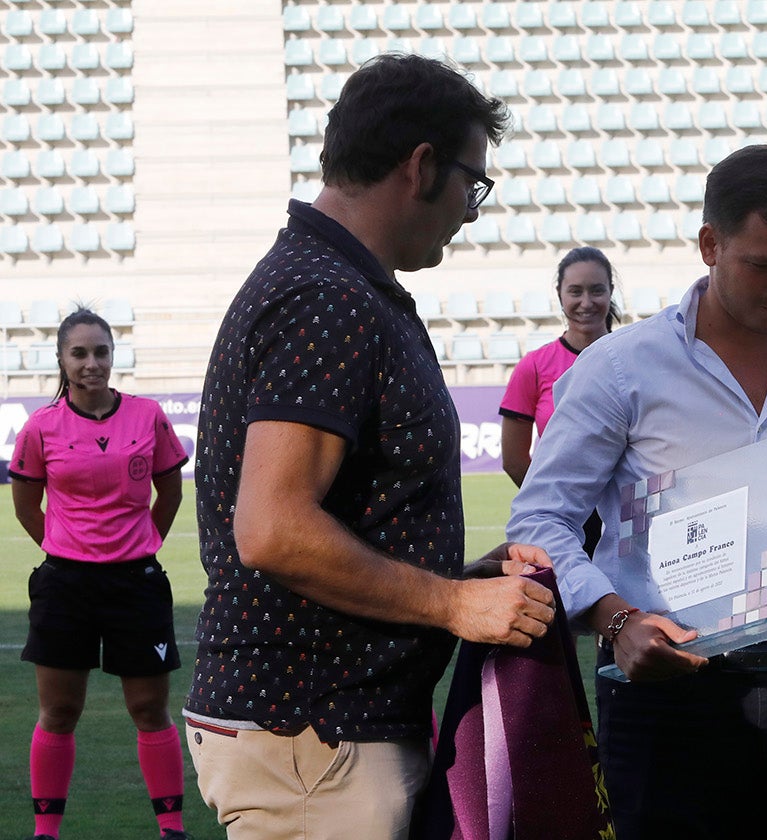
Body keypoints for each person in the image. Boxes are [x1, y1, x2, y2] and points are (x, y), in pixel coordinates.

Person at [183, 54, 556, 840]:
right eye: (472, 183)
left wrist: (457, 580)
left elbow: (341, 514)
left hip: (321, 736)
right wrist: (453, 604)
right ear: (420, 167)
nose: (473, 210)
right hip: (315, 739)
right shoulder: (327, 294)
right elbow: (274, 528)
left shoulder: (335, 282)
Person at [507, 144, 767, 840]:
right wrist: (615, 621)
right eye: (764, 265)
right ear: (710, 244)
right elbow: (540, 516)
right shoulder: (620, 368)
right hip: (663, 691)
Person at [11, 309, 190, 840]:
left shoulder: (148, 415)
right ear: (63, 361)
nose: (92, 363)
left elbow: (171, 493)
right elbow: (27, 508)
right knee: (60, 710)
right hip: (66, 585)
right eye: (79, 353)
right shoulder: (40, 427)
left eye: (101, 352)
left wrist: (139, 546)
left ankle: (172, 829)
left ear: (113, 356)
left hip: (136, 583)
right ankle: (47, 832)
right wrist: (69, 551)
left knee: (148, 709)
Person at [499, 246, 621, 554]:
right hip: (563, 528)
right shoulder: (534, 366)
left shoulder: (636, 358)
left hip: (627, 520)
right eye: (575, 292)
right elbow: (514, 460)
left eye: (597, 291)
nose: (586, 302)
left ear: (611, 292)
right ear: (560, 295)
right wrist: (553, 507)